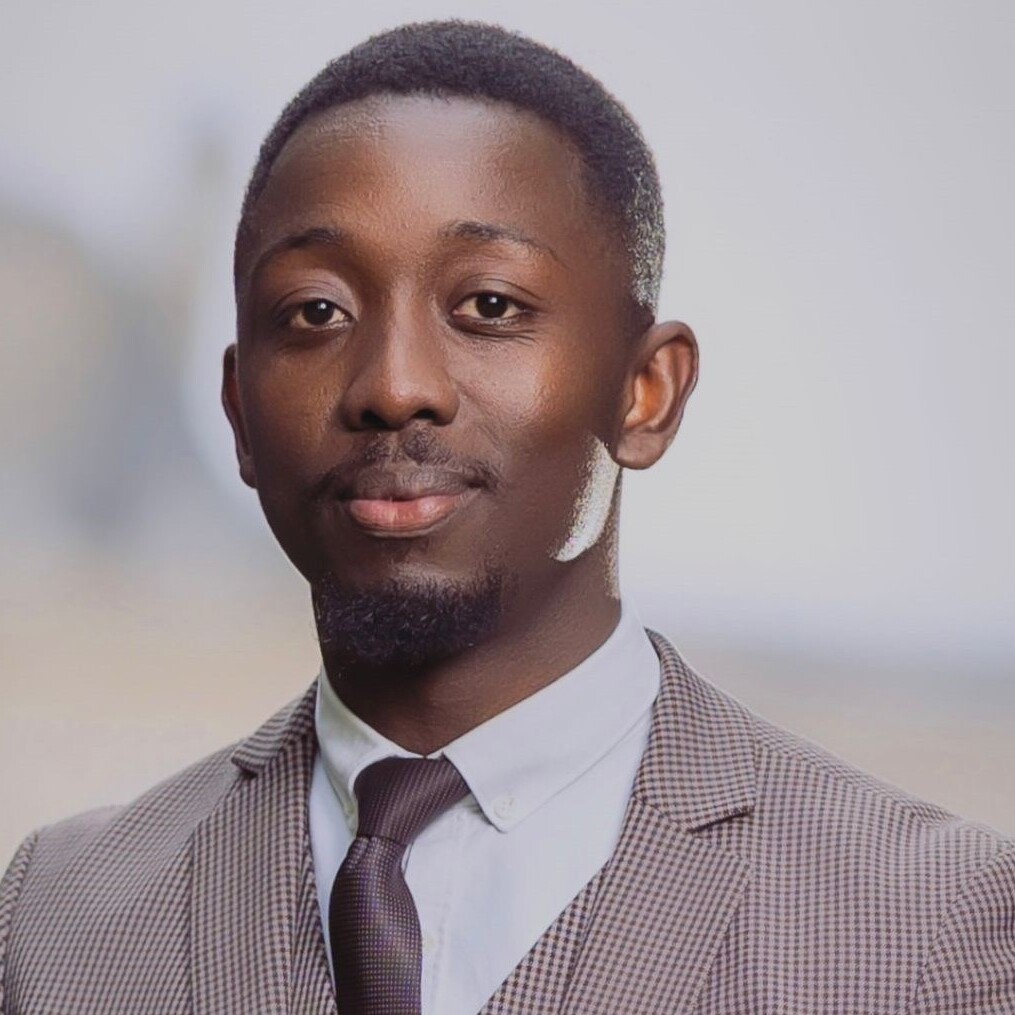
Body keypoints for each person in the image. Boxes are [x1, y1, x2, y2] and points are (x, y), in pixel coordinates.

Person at [1, 20, 1012, 1015]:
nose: (394, 385)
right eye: (316, 312)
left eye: (488, 306)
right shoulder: (55, 917)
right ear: (238, 413)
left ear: (646, 393)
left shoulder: (928, 926)